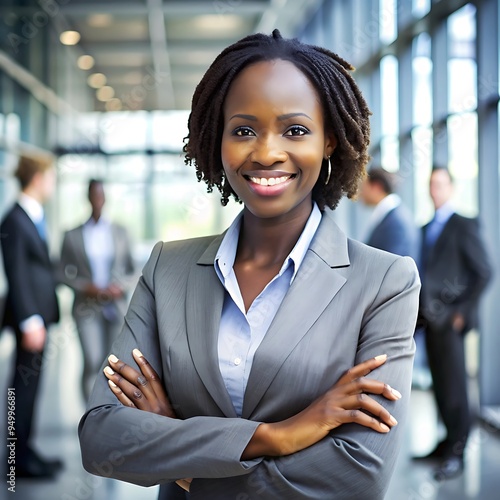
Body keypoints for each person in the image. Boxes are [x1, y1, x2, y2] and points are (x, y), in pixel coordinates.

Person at [79, 30, 420, 499]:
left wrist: (185, 458)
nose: (265, 152)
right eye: (243, 130)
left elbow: (359, 474)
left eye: (295, 130)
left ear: (330, 142)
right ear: (216, 140)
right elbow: (102, 437)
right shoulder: (167, 270)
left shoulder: (383, 281)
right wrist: (278, 435)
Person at [416, 166, 492, 480]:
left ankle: (457, 454)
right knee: (441, 385)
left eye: (441, 184)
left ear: (451, 188)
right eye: (432, 184)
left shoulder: (463, 224)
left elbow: (484, 271)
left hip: (451, 321)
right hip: (430, 320)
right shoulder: (425, 228)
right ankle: (445, 443)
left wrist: (461, 311)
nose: (436, 189)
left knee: (456, 388)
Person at [1, 154, 63, 478]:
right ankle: (15, 458)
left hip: (39, 317)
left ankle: (26, 449)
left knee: (31, 390)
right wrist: (30, 320)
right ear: (37, 178)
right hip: (31, 321)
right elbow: (17, 273)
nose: (53, 183)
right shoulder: (14, 219)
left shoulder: (32, 215)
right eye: (50, 177)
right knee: (19, 391)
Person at [59, 179, 136, 401]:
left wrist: (119, 286)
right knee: (92, 359)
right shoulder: (72, 234)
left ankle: (110, 411)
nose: (98, 200)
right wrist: (85, 286)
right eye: (94, 195)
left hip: (116, 306)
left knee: (114, 361)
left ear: (106, 199)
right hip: (86, 307)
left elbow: (134, 270)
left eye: (101, 196)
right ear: (88, 198)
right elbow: (61, 271)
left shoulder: (121, 232)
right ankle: (91, 411)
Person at [359, 166, 419, 261]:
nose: (360, 192)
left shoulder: (396, 222)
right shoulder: (392, 215)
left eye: (364, 187)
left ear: (376, 187)